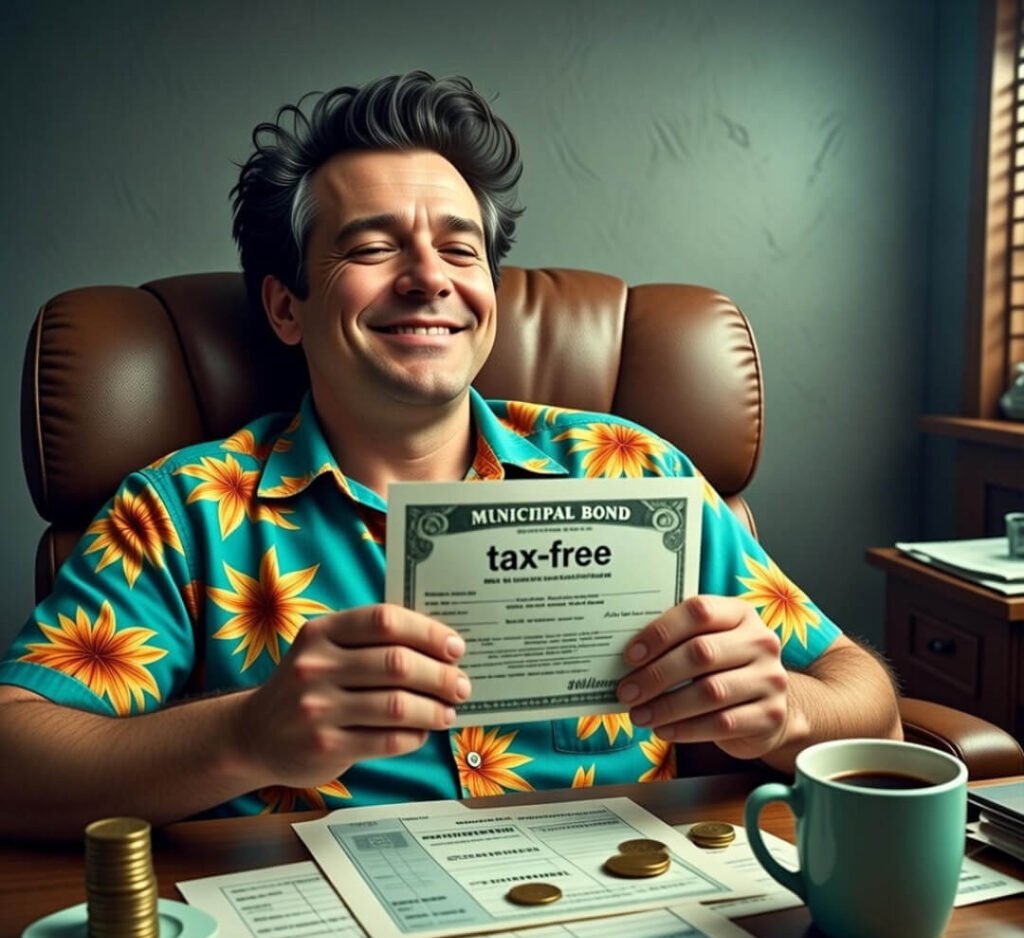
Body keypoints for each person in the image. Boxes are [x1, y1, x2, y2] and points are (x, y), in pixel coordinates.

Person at [0, 72, 900, 838]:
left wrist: (787, 712)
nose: (429, 276)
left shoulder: (635, 470)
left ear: (490, 296)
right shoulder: (182, 512)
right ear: (286, 308)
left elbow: (865, 696)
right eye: (374, 245)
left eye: (459, 249)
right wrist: (247, 735)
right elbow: (15, 754)